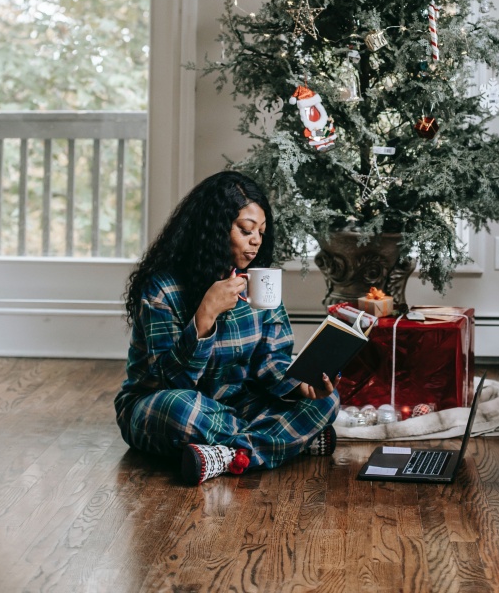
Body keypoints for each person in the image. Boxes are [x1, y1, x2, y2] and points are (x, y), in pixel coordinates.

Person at [115, 170, 340, 485]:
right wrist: (205, 315)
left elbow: (271, 361)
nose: (256, 240)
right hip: (162, 404)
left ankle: (225, 456)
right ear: (213, 229)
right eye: (246, 230)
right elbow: (168, 382)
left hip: (237, 404)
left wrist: (298, 386)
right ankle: (281, 442)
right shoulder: (162, 289)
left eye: (261, 231)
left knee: (326, 401)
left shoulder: (258, 284)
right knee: (181, 409)